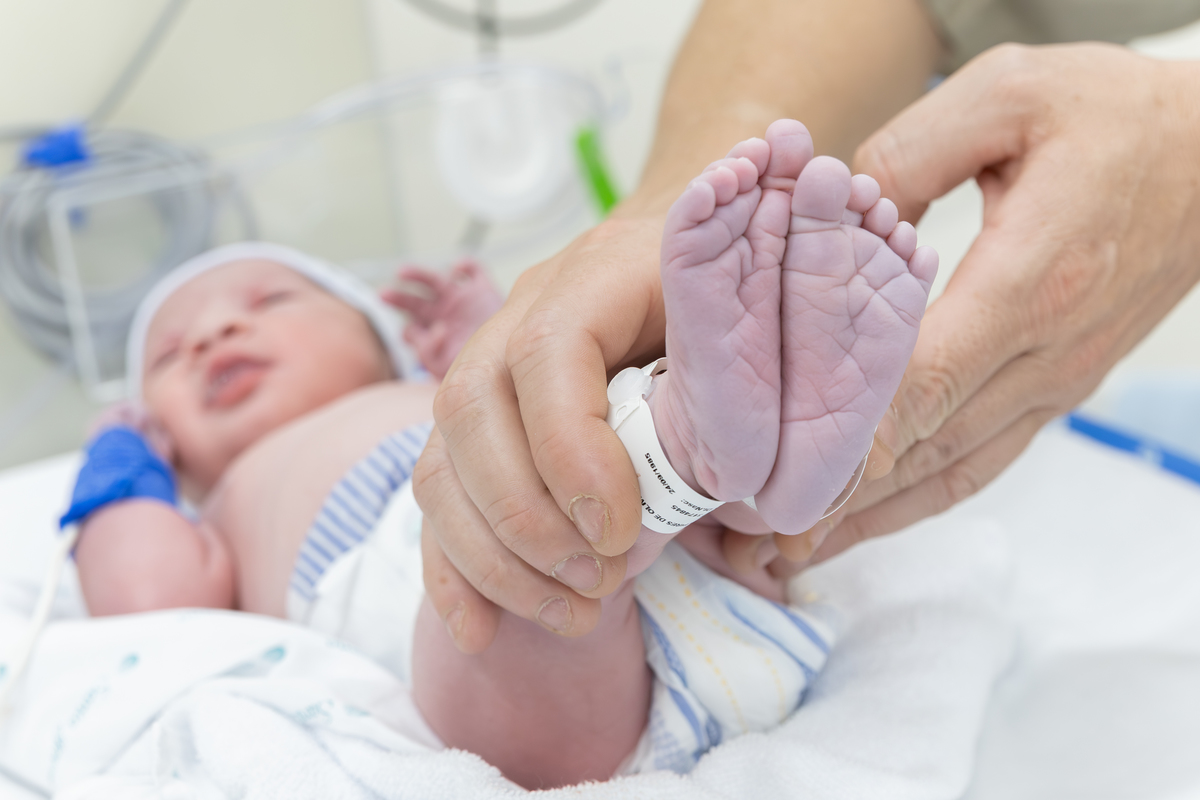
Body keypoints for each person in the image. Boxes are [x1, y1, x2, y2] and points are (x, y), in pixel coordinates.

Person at [59, 116, 936, 786]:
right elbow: (152, 605)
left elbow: (508, 378)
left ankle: (744, 453)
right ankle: (706, 448)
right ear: (169, 445)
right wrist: (123, 481)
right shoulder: (215, 504)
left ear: (384, 344)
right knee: (499, 542)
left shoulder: (434, 397)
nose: (214, 332)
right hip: (525, 644)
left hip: (693, 562)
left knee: (543, 423)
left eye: (269, 300)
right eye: (171, 357)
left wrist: (487, 337)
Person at [411, 0, 1200, 655]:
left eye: (287, 297)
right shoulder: (319, 425)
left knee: (541, 548)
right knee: (538, 544)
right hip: (653, 577)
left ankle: (704, 448)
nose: (279, 325)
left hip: (565, 545)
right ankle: (751, 454)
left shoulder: (356, 415)